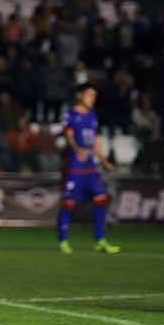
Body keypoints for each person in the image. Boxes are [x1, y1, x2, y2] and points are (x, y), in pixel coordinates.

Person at [57, 84, 120, 255]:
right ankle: (63, 241)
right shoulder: (70, 114)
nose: (93, 98)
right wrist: (77, 150)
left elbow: (95, 142)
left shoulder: (93, 116)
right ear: (80, 96)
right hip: (75, 167)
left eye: (94, 95)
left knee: (101, 199)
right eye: (90, 95)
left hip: (90, 168)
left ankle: (100, 240)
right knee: (68, 203)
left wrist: (105, 161)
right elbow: (69, 136)